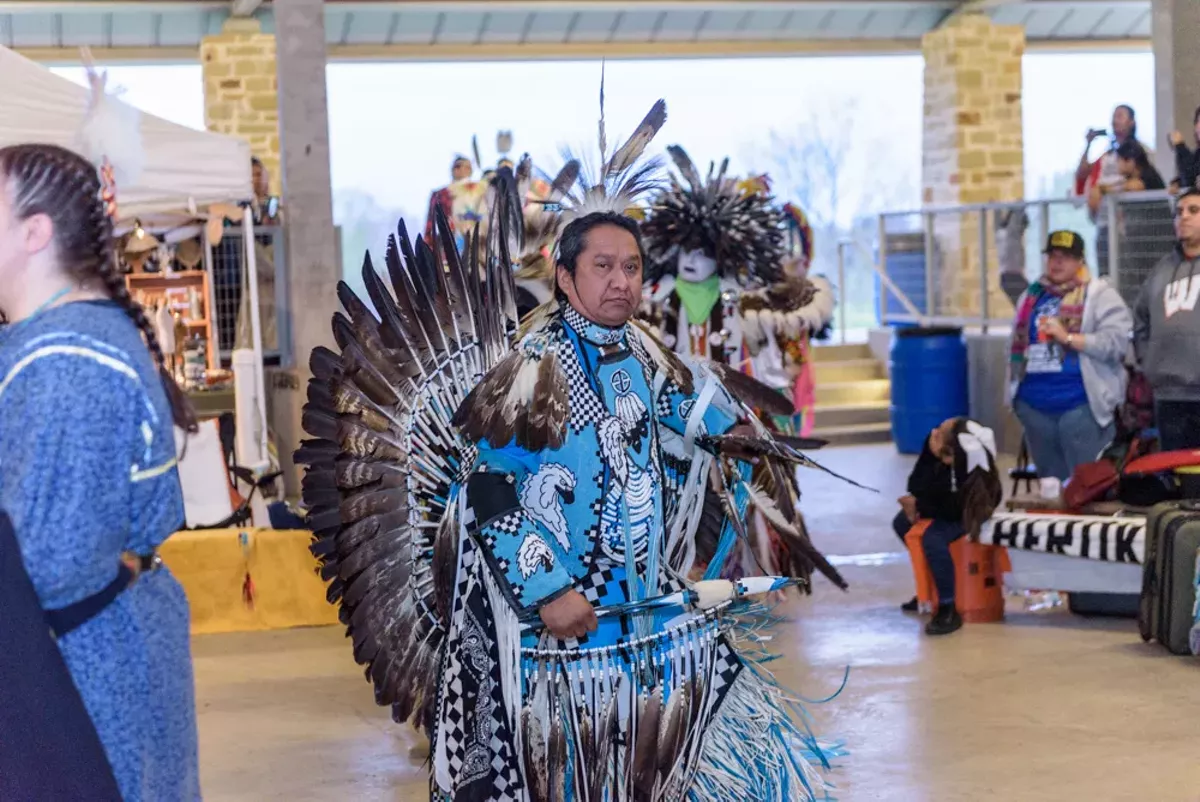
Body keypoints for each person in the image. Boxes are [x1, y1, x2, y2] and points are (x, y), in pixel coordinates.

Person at [298, 100, 846, 801]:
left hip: (636, 620)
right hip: (549, 641)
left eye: (632, 267)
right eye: (603, 267)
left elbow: (682, 403)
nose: (622, 281)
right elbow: (488, 490)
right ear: (565, 277)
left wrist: (735, 427)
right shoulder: (533, 364)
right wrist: (547, 590)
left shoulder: (640, 356)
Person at [0, 142, 201, 798]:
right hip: (91, 658)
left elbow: (46, 567)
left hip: (74, 678)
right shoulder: (57, 341)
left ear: (35, 231)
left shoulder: (66, 362)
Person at [1009, 230, 1132, 482]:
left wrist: (1068, 338)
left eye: (1066, 256)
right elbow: (1014, 346)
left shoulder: (1100, 295)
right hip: (1035, 408)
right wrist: (1015, 398)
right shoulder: (1031, 296)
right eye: (1052, 256)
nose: (1057, 262)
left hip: (1081, 407)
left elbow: (1117, 344)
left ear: (1080, 261)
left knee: (1087, 489)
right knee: (1051, 488)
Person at [895, 418, 1002, 636]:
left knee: (933, 539)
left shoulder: (972, 463)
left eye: (941, 431)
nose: (935, 431)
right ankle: (930, 590)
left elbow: (953, 509)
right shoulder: (935, 447)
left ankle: (947, 607)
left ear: (951, 453)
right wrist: (929, 456)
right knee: (901, 524)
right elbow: (914, 485)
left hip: (967, 513)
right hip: (943, 506)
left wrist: (919, 505)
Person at [1134, 188, 1200, 493]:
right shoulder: (1161, 271)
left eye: (1193, 210)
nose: (1183, 217)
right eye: (1179, 211)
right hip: (1169, 396)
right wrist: (1150, 364)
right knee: (1176, 485)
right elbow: (1140, 320)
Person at [1169, 106, 1200, 192]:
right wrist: (1177, 183)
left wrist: (1180, 146)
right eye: (1198, 121)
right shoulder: (1198, 153)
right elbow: (1190, 175)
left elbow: (1189, 179)